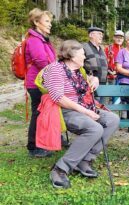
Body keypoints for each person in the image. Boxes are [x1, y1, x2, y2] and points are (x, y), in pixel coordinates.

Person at [41, 40, 120, 188]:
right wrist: (86, 112)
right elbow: (58, 97)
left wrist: (94, 79)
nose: (85, 57)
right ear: (71, 55)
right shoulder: (55, 69)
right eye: (83, 54)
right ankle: (60, 168)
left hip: (86, 106)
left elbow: (88, 79)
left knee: (113, 119)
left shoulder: (79, 70)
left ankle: (85, 160)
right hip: (66, 111)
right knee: (95, 128)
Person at [25, 8, 56, 157]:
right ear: (37, 22)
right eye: (47, 21)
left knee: (42, 113)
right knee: (37, 114)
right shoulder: (34, 40)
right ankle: (33, 147)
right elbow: (42, 61)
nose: (50, 24)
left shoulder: (42, 39)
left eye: (50, 21)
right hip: (36, 83)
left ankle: (42, 143)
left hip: (43, 82)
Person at [83, 26, 108, 103]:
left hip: (103, 83)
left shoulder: (102, 49)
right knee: (93, 106)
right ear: (91, 35)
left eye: (102, 34)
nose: (101, 36)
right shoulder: (84, 47)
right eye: (99, 34)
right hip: (90, 84)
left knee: (102, 106)